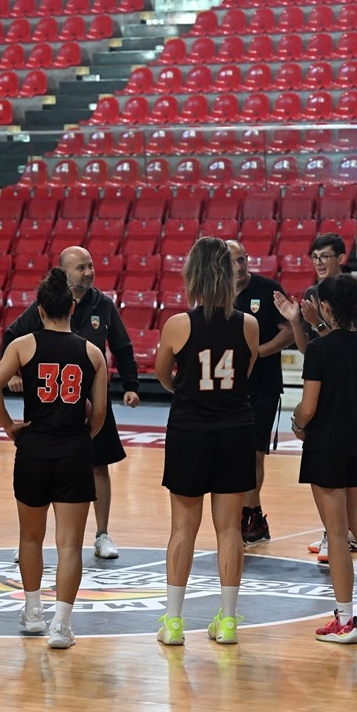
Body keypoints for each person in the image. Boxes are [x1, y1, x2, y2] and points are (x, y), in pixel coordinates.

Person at [0, 268, 109, 649]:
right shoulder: (92, 352)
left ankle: (33, 612)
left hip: (34, 449)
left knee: (30, 538)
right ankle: (61, 626)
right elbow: (100, 413)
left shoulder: (22, 345)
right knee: (70, 545)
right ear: (72, 308)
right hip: (73, 449)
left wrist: (10, 426)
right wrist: (82, 436)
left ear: (40, 310)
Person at [276, 275, 357, 643]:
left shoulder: (320, 351)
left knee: (338, 536)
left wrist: (296, 422)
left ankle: (344, 620)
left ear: (326, 308)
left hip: (326, 447)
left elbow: (308, 408)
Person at [1, 246, 139, 560]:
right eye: (81, 268)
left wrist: (131, 386)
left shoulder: (103, 304)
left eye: (91, 266)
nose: (89, 272)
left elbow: (122, 346)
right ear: (64, 274)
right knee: (44, 468)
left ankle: (102, 534)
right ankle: (32, 540)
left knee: (98, 467)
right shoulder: (46, 305)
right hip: (51, 403)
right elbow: (11, 335)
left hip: (93, 399)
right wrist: (14, 373)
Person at [155, 237, 259, 647]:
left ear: (193, 275)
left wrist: (185, 390)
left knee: (183, 527)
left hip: (189, 429)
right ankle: (229, 621)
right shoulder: (248, 325)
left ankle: (175, 623)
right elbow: (246, 370)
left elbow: (164, 374)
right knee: (229, 529)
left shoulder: (179, 324)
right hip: (235, 427)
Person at [287, 233, 357, 561]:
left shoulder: (351, 293)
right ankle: (335, 531)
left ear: (341, 258)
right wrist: (295, 323)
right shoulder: (312, 294)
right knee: (327, 473)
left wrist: (317, 325)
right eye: (314, 256)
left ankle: (342, 534)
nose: (318, 261)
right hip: (321, 382)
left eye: (325, 255)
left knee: (337, 467)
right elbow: (311, 351)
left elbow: (346, 345)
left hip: (345, 389)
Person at [227, 240, 296, 546]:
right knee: (233, 454)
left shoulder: (268, 290)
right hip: (229, 386)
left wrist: (258, 353)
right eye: (234, 262)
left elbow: (290, 331)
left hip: (264, 385)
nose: (240, 267)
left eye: (243, 260)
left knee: (255, 453)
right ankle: (252, 513)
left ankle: (248, 516)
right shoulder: (219, 294)